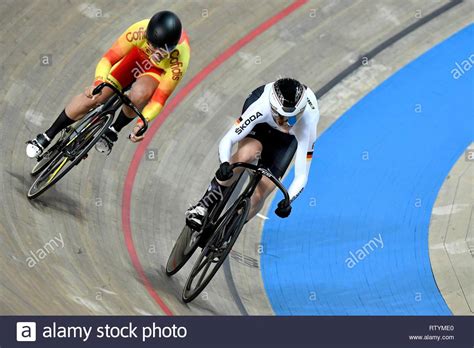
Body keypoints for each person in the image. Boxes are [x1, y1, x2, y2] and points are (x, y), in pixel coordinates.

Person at [26, 10, 190, 157]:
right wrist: (98, 83)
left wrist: (142, 122)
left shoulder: (180, 59)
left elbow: (158, 100)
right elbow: (108, 59)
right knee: (95, 97)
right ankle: (48, 134)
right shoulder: (138, 31)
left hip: (155, 72)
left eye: (160, 51)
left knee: (139, 94)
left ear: (171, 49)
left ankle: (113, 130)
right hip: (135, 59)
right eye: (152, 46)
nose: (154, 52)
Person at [186, 78, 320, 231]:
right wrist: (224, 163)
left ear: (301, 111)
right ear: (273, 109)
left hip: (286, 140)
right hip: (262, 124)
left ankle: (226, 233)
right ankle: (203, 206)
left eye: (293, 118)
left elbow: (302, 174)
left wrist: (288, 199)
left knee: (259, 195)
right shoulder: (260, 106)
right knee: (246, 155)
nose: (287, 124)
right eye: (282, 118)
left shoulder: (308, 122)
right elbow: (229, 138)